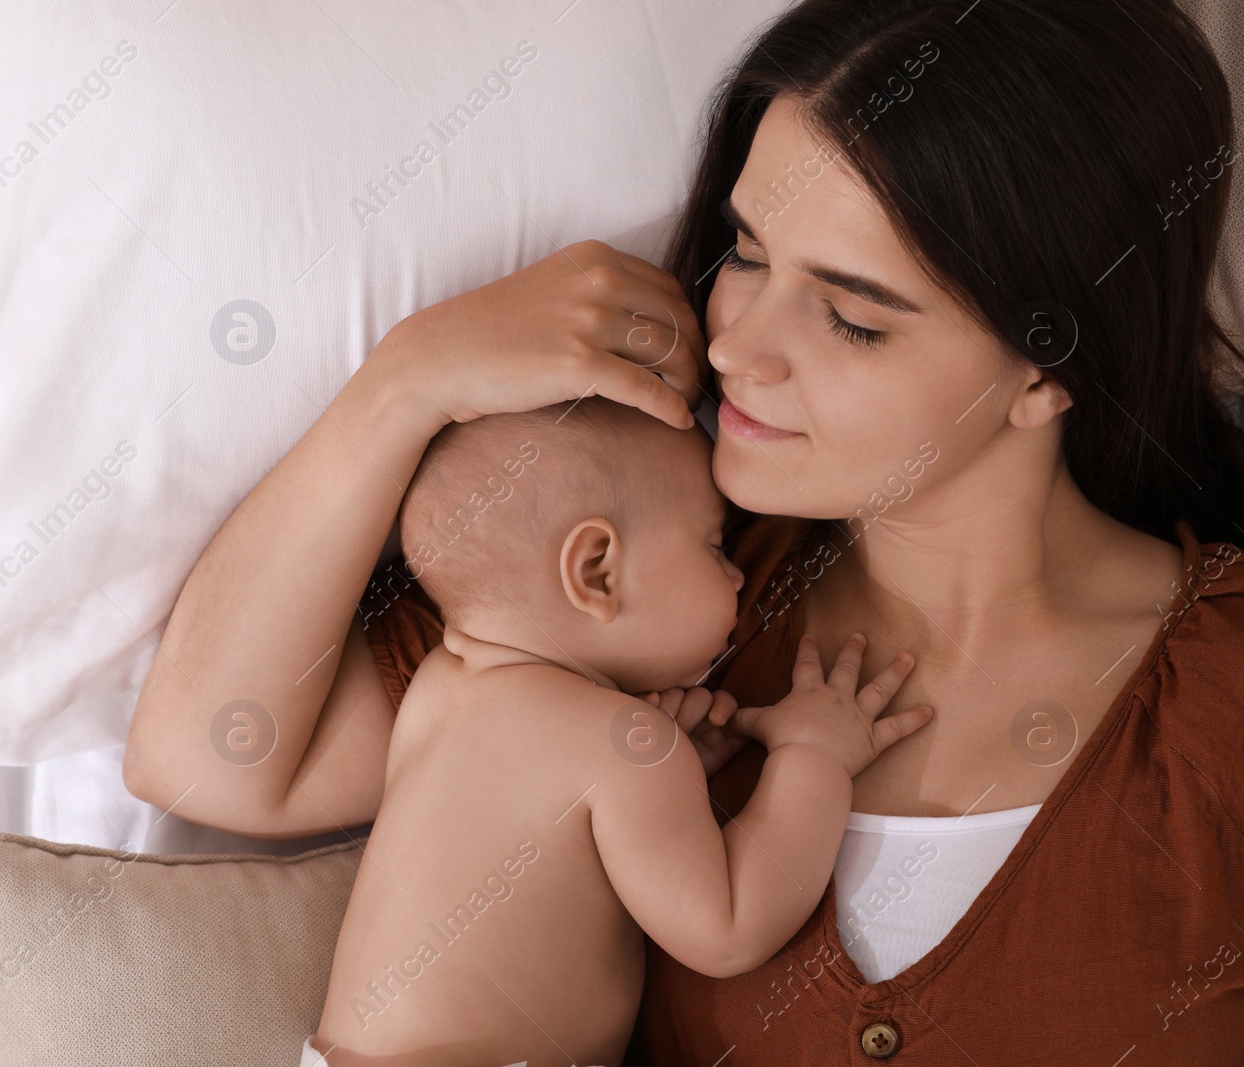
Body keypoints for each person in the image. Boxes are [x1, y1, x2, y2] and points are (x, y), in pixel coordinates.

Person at [125, 0, 1244, 1060]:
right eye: (747, 253)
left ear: (1049, 369)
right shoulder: (648, 606)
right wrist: (408, 381)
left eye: (853, 318)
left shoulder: (1215, 699)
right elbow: (205, 757)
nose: (735, 346)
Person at [302, 400, 931, 1066]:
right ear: (597, 570)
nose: (738, 575)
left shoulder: (437, 689)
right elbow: (728, 929)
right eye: (715, 546)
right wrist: (815, 756)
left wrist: (672, 771)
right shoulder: (622, 740)